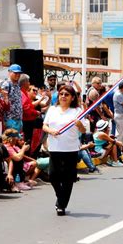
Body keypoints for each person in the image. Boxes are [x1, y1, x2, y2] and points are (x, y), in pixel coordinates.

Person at [43, 85, 85, 216]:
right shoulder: (52, 109)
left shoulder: (78, 111)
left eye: (67, 94)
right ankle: (60, 197)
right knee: (53, 175)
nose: (63, 96)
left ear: (72, 98)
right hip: (55, 147)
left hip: (70, 148)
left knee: (68, 178)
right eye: (61, 94)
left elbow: (83, 131)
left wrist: (79, 125)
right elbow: (45, 125)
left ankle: (61, 205)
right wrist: (51, 131)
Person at [1, 64, 23, 132]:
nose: (18, 75)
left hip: (18, 119)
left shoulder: (17, 85)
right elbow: (3, 102)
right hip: (10, 119)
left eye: (19, 73)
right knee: (10, 140)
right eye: (15, 73)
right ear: (9, 72)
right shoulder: (6, 84)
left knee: (17, 140)